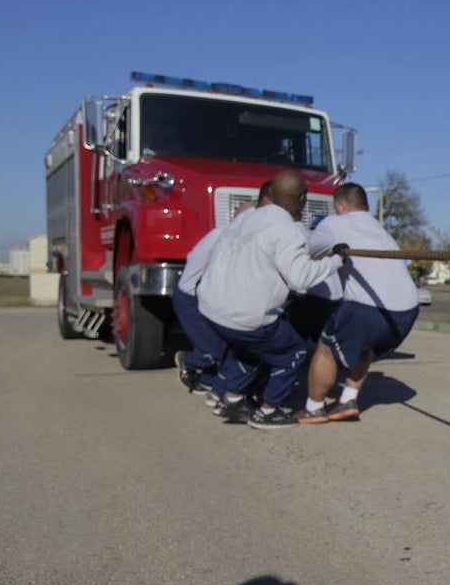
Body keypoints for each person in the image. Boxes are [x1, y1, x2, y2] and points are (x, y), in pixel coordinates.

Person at [197, 170, 344, 430]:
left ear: (271, 195)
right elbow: (301, 279)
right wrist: (336, 260)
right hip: (246, 317)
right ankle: (267, 411)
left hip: (212, 308)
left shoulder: (247, 218)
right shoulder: (288, 231)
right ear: (301, 199)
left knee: (250, 349)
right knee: (293, 352)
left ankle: (232, 399)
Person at [298, 182, 419, 424]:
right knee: (366, 345)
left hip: (368, 306)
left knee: (325, 349)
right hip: (408, 309)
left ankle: (314, 408)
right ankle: (348, 400)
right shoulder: (379, 228)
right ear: (366, 205)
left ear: (340, 206)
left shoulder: (334, 223)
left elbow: (306, 253)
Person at [174, 181, 274, 404]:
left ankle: (211, 381)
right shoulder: (225, 236)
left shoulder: (232, 235)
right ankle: (188, 362)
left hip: (208, 297)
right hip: (190, 297)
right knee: (215, 350)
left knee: (227, 346)